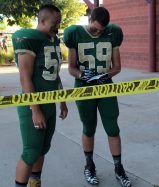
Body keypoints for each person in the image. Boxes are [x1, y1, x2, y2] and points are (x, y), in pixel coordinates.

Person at [64, 6, 131, 187]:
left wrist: (105, 75)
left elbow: (117, 67)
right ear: (89, 19)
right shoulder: (74, 33)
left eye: (101, 30)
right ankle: (89, 166)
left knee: (112, 128)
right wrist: (81, 75)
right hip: (84, 88)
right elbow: (71, 67)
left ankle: (118, 168)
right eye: (95, 29)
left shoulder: (113, 32)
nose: (97, 32)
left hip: (105, 87)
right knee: (88, 127)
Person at [12, 4, 68, 187]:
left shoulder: (52, 40)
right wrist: (35, 109)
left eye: (59, 22)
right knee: (30, 152)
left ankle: (35, 183)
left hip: (49, 104)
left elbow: (54, 74)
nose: (57, 26)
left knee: (42, 149)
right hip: (33, 106)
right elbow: (25, 77)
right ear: (42, 20)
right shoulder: (29, 37)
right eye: (55, 22)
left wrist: (62, 100)